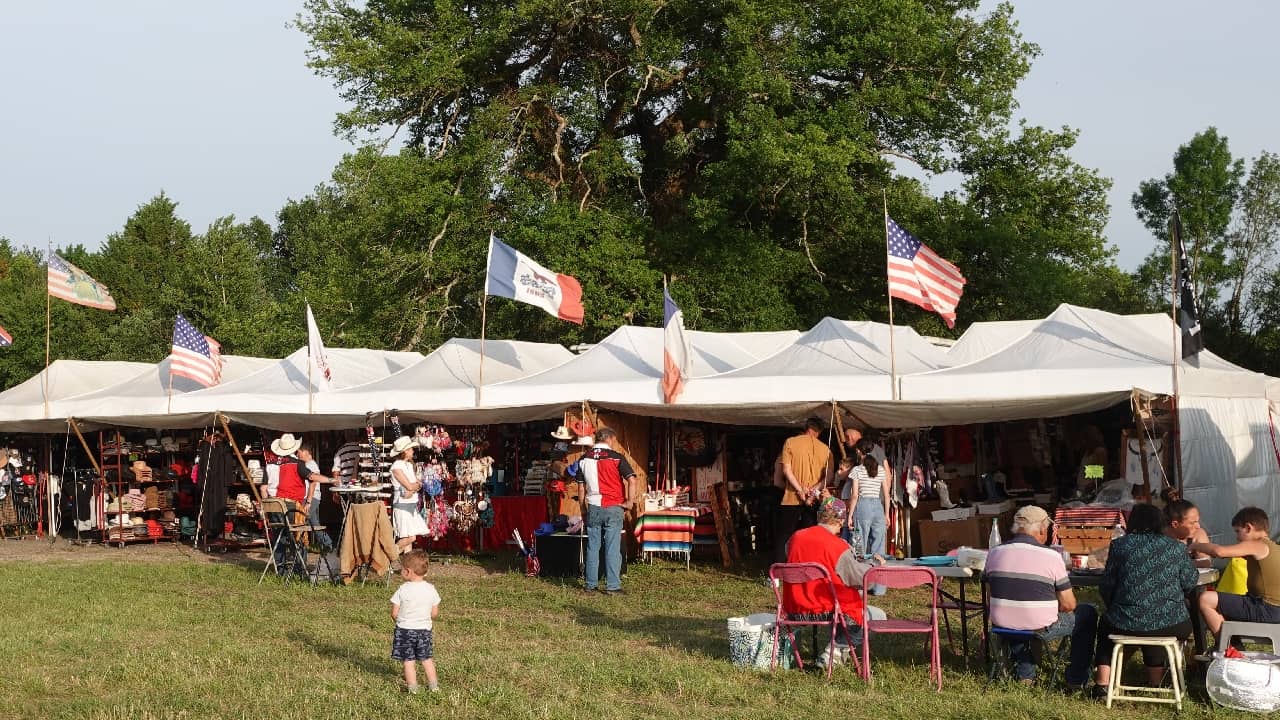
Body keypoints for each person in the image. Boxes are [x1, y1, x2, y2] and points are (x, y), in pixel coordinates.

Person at [1090, 503, 1198, 693]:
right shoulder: (1176, 547)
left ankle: (1102, 684)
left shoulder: (1120, 545)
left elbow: (1107, 584)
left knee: (1106, 627)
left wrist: (1116, 605)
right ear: (1160, 523)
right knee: (1157, 624)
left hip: (1125, 620)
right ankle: (1156, 683)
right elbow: (1190, 582)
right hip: (1170, 623)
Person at [985, 505, 1094, 688]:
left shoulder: (995, 552)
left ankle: (1026, 674)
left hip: (1001, 624)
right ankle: (1076, 678)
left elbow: (992, 592)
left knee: (1018, 617)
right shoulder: (1050, 555)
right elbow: (1069, 604)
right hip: (1038, 626)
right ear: (1042, 529)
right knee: (1087, 612)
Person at [783, 497, 884, 667]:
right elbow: (862, 579)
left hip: (794, 608)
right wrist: (874, 564)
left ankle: (835, 652)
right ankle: (834, 652)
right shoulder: (837, 546)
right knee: (877, 616)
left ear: (818, 516)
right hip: (826, 608)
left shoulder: (794, 538)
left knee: (841, 599)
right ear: (841, 520)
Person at [1193, 506, 1280, 638]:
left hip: (1266, 609)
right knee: (1224, 601)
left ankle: (1228, 647)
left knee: (1206, 599)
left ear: (1248, 528)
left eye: (1238, 531)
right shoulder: (1273, 547)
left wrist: (1196, 545)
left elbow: (1219, 552)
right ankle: (1232, 643)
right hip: (1272, 609)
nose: (1237, 538)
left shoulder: (1257, 544)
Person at [579, 427, 636, 594]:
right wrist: (630, 502)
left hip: (594, 507)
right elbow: (632, 480)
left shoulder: (583, 459)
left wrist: (583, 509)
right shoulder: (616, 457)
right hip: (614, 506)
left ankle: (590, 585)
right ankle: (612, 586)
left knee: (593, 546)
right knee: (612, 547)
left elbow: (581, 488)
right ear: (610, 439)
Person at [774, 417, 834, 564]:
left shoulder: (790, 442)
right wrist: (814, 490)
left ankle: (777, 573)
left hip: (791, 496)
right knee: (811, 535)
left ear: (806, 427)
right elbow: (829, 476)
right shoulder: (826, 449)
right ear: (818, 431)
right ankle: (809, 567)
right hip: (814, 498)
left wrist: (800, 489)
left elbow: (786, 470)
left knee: (784, 534)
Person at [390, 550, 441, 694]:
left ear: (408, 571)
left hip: (405, 631)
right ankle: (434, 686)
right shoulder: (431, 589)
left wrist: (400, 620)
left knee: (408, 661)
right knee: (427, 659)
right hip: (424, 630)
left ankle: (413, 689)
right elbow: (434, 613)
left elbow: (394, 613)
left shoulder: (402, 589)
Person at [845, 439, 890, 596]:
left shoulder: (857, 470)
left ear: (859, 451)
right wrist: (886, 514)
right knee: (878, 546)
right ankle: (879, 587)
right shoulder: (880, 470)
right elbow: (886, 494)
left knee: (859, 545)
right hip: (878, 506)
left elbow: (855, 495)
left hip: (862, 506)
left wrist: (850, 515)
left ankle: (860, 586)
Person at [389, 435, 430, 555]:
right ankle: (388, 556)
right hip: (402, 505)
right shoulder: (396, 467)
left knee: (410, 537)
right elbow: (410, 486)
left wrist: (414, 487)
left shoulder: (408, 465)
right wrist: (415, 487)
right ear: (405, 451)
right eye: (411, 449)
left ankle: (407, 565)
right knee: (410, 538)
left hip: (410, 503)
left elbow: (414, 486)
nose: (413, 451)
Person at [299, 445, 334, 554]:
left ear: (308, 454)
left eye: (300, 453)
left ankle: (301, 547)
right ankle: (327, 544)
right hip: (311, 496)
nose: (298, 455)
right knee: (314, 523)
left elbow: (313, 483)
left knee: (302, 520)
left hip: (311, 497)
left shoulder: (311, 465)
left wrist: (309, 501)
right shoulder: (307, 464)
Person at [1163, 498, 1211, 566]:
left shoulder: (1198, 534)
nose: (1198, 526)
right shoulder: (1159, 539)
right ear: (1175, 524)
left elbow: (1205, 562)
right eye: (1192, 523)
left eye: (1197, 521)